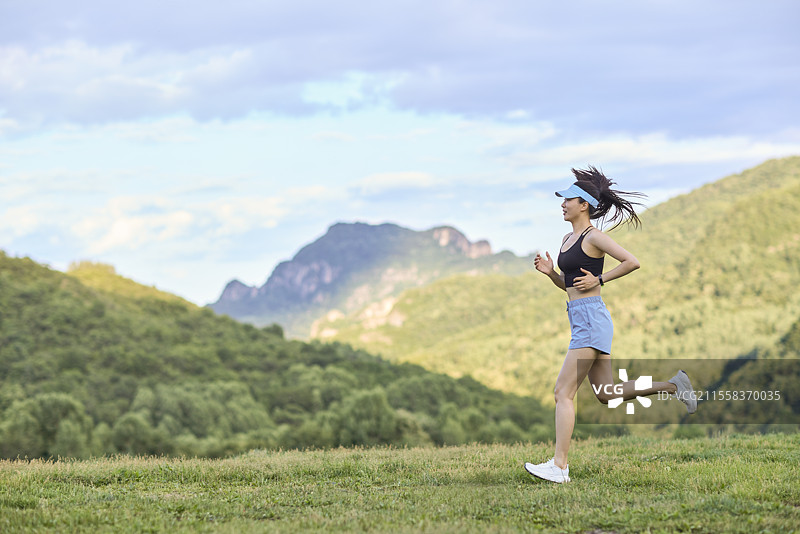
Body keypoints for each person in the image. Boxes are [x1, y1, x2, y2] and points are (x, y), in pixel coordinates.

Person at [524, 166, 697, 484]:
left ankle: (559, 466)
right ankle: (675, 385)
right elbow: (571, 286)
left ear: (584, 204)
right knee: (607, 393)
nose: (562, 204)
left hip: (591, 319)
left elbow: (633, 261)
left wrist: (601, 278)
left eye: (568, 199)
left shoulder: (595, 237)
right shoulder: (567, 238)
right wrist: (551, 273)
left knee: (563, 392)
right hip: (582, 319)